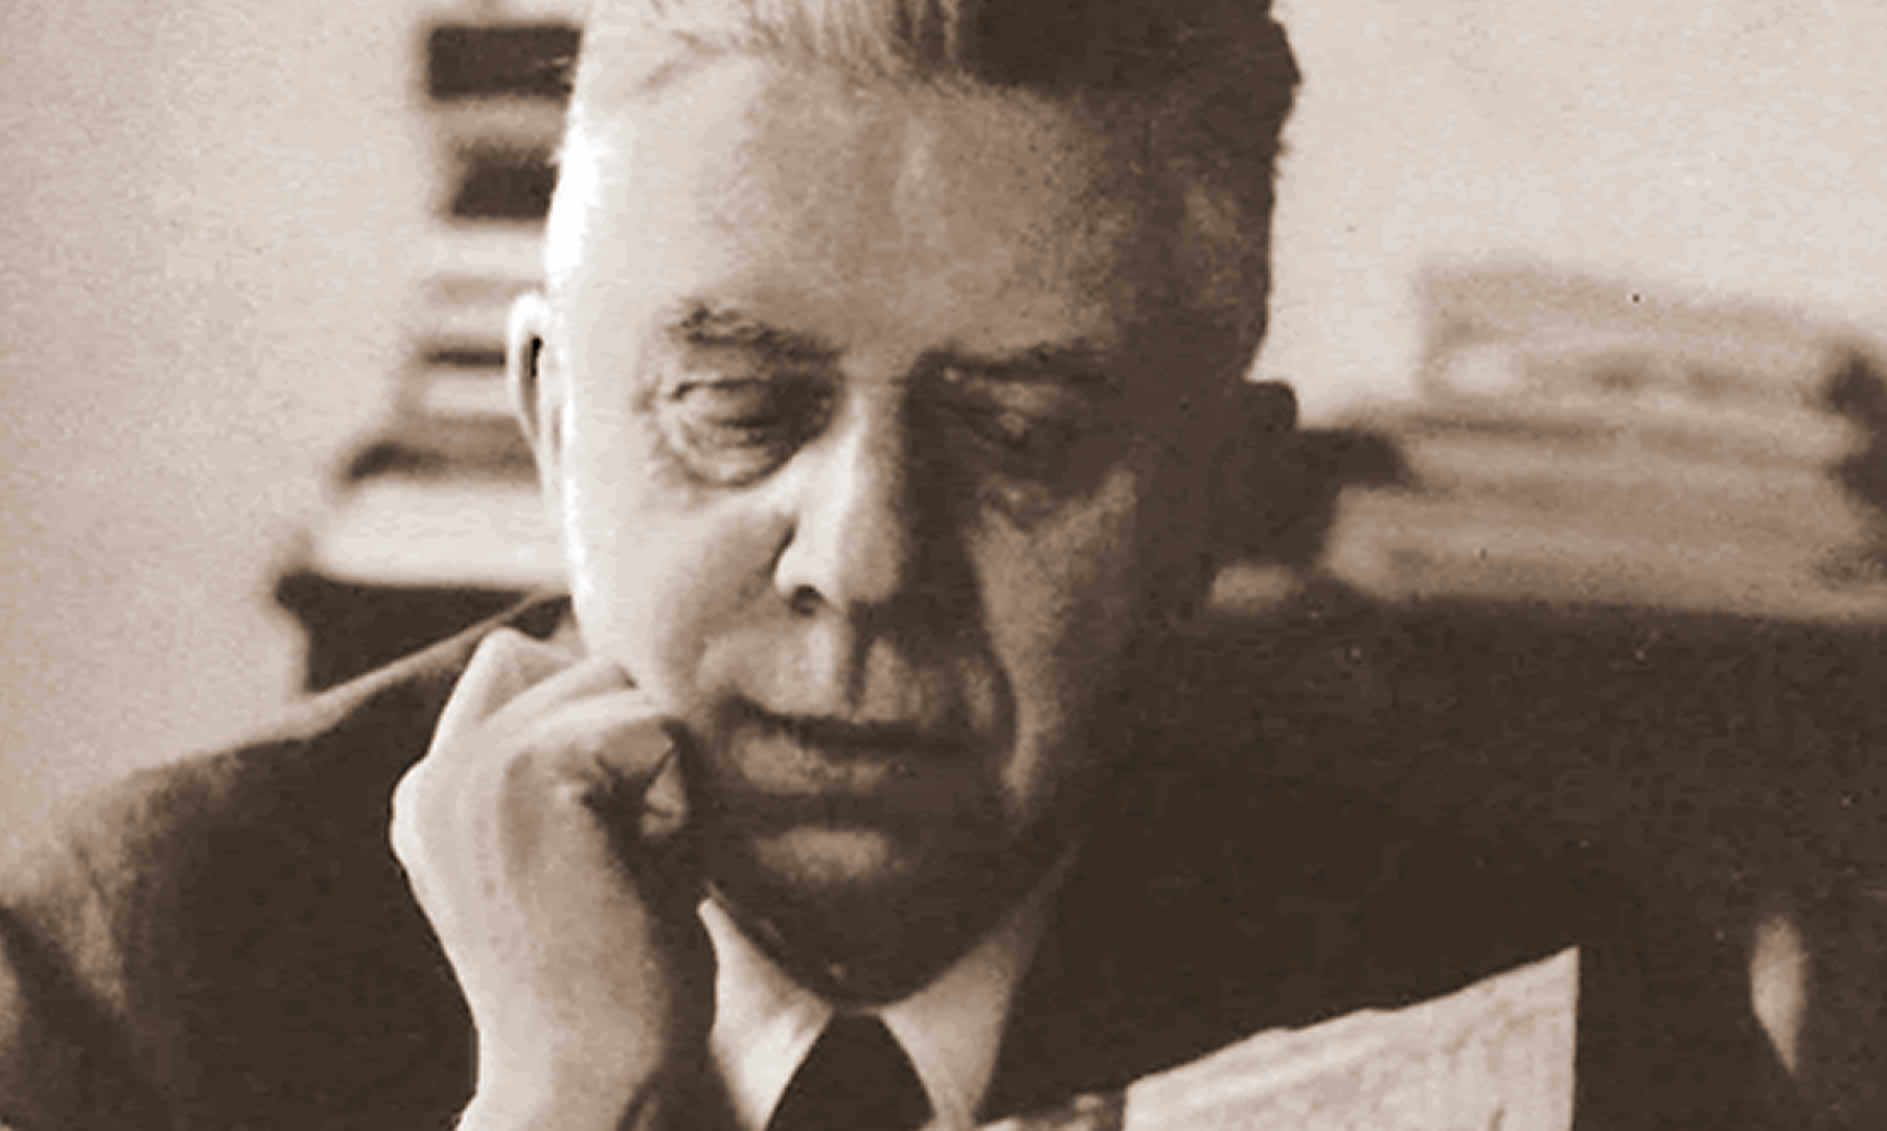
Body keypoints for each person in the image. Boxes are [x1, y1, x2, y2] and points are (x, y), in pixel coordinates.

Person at [0, 1, 1805, 1128]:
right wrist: (559, 1109)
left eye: (1022, 433)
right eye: (735, 407)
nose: (865, 562)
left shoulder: (1555, 998)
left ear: (1218, 499)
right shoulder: (132, 976)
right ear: (555, 425)